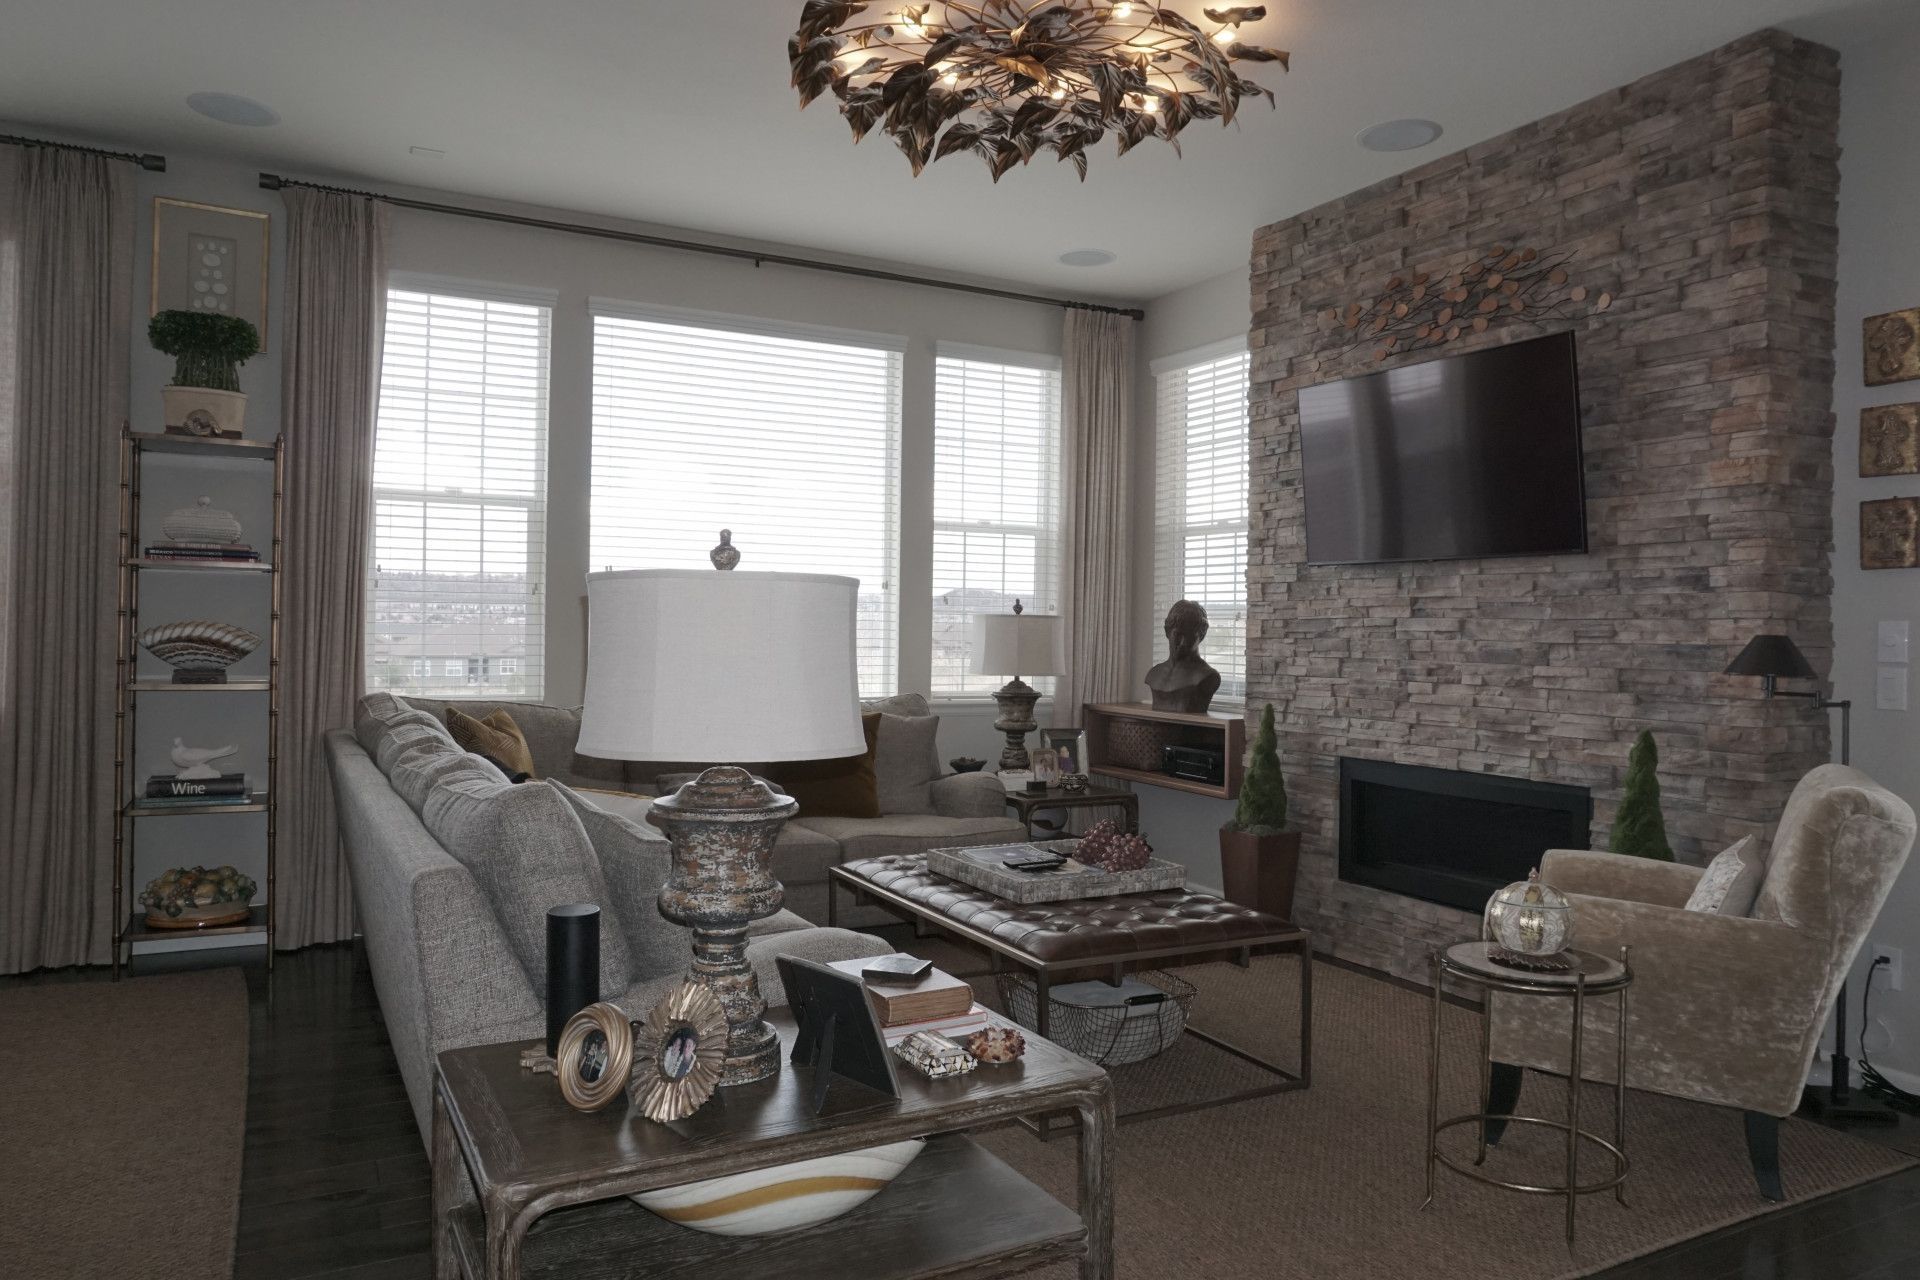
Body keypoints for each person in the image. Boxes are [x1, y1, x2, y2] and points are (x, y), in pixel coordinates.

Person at [1143, 599, 1221, 714]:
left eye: (1190, 636)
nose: (1183, 642)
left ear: (1201, 635)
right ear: (1167, 632)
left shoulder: (1208, 677)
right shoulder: (1154, 673)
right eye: (1178, 635)